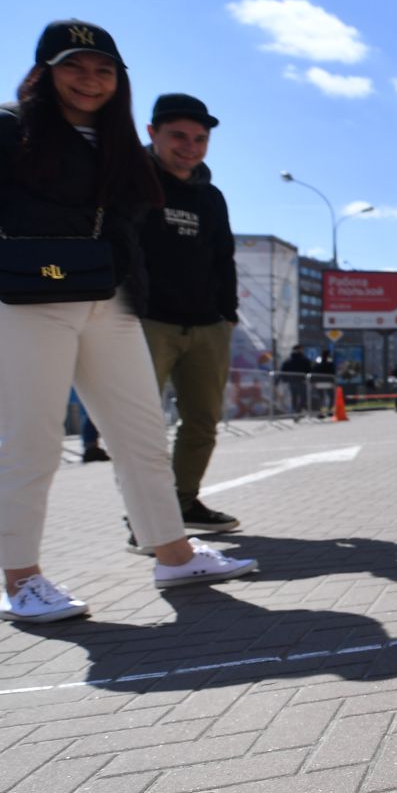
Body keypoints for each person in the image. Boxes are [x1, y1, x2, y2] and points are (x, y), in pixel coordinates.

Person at [0, 20, 256, 623]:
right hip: (22, 299)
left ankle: (173, 553)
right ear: (44, 72)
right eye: (74, 66)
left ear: (119, 80)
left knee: (140, 434)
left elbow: (128, 229)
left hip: (108, 300)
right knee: (30, 442)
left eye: (103, 70)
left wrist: (131, 289)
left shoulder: (117, 142)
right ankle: (21, 580)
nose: (89, 80)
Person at [135, 93, 245, 537]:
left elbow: (224, 258)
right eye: (178, 136)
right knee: (139, 425)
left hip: (207, 325)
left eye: (200, 139)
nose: (190, 146)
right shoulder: (131, 183)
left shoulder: (211, 197)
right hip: (147, 322)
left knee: (202, 420)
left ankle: (183, 501)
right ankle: (144, 516)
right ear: (152, 134)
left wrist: (228, 315)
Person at [283, 346, 312, 415]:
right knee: (303, 397)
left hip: (291, 381)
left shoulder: (288, 360)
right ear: (300, 350)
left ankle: (294, 410)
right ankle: (298, 410)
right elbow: (309, 370)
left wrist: (285, 379)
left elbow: (283, 370)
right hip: (301, 381)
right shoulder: (304, 360)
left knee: (294, 397)